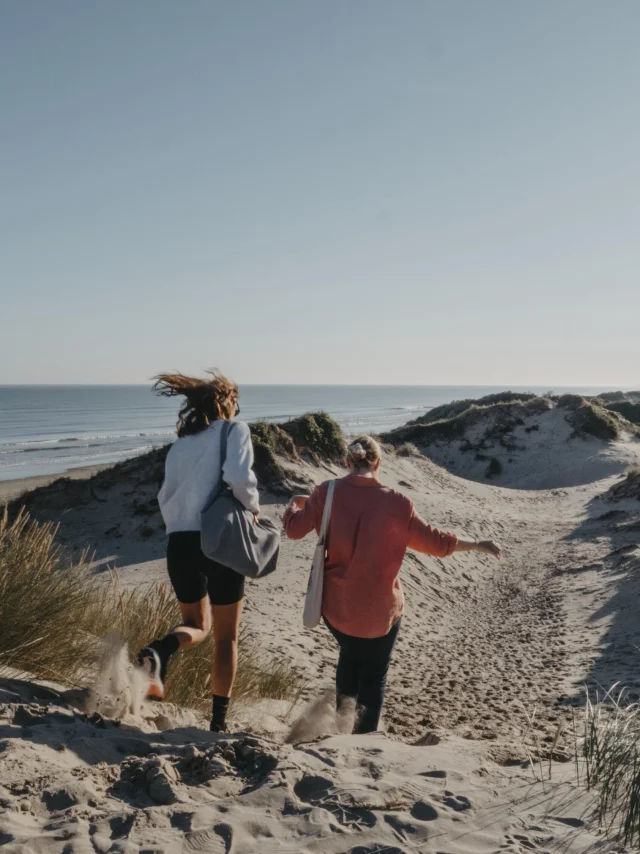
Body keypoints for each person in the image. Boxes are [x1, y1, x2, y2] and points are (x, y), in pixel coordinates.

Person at [283, 435, 502, 734]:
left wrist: (293, 506)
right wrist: (477, 544)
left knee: (350, 655)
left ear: (347, 462)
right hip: (380, 612)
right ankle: (366, 738)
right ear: (379, 463)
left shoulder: (325, 493)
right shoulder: (398, 503)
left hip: (339, 609)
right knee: (374, 674)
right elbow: (437, 543)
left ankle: (340, 728)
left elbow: (294, 531)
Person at [138, 370, 260, 733]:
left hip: (180, 542)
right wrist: (253, 508)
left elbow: (166, 497)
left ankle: (160, 650)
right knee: (225, 637)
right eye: (235, 402)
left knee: (195, 625)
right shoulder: (234, 430)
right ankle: (218, 724)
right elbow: (239, 477)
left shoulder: (179, 446)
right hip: (219, 539)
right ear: (227, 402)